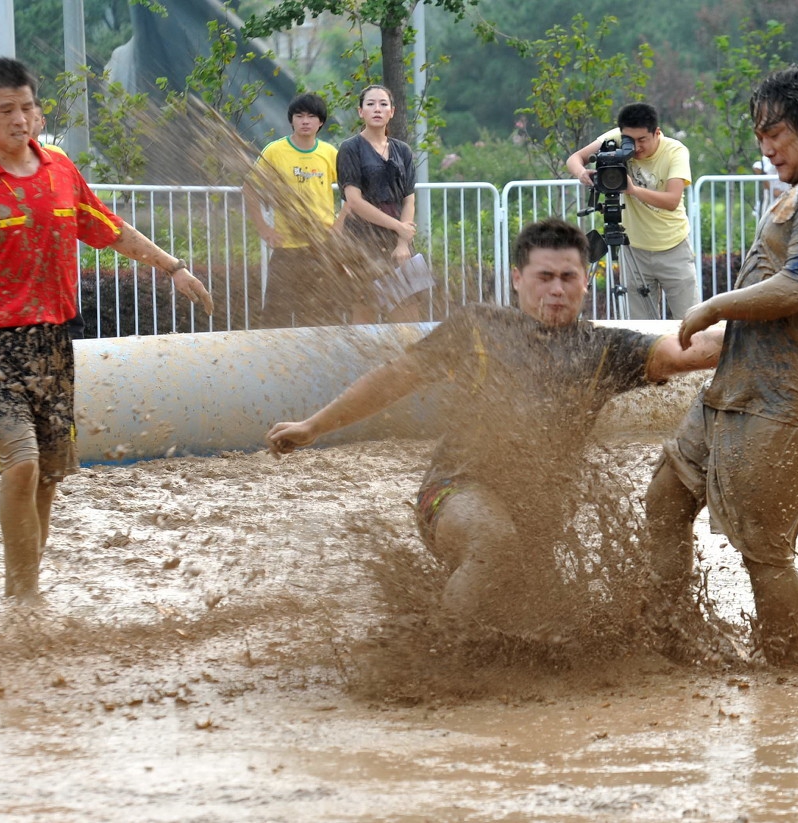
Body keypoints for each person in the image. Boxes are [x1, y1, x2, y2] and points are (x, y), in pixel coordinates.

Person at [267, 218, 724, 638]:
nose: (556, 290)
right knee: (494, 542)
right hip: (452, 493)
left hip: (536, 524)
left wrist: (752, 321)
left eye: (568, 278)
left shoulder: (605, 348)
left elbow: (687, 350)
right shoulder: (478, 328)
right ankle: (435, 661)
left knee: (550, 628)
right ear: (517, 279)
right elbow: (394, 379)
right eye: (545, 277)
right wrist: (314, 426)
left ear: (586, 281)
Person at [0, 58, 214, 602]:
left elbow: (110, 230)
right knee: (21, 467)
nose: (20, 119)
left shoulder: (61, 169)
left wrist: (174, 268)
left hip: (54, 341)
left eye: (27, 107)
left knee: (48, 474)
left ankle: (28, 589)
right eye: (6, 110)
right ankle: (20, 595)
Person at [642, 65, 798, 664]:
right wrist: (707, 345)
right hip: (742, 381)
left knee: (763, 550)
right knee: (666, 499)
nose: (767, 148)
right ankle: (670, 635)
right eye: (760, 136)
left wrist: (712, 307)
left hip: (791, 393)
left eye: (774, 133)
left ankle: (783, 673)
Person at [566, 103, 699, 320]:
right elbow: (574, 159)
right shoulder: (615, 139)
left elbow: (672, 200)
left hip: (673, 248)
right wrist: (583, 173)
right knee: (641, 328)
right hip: (633, 249)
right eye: (629, 140)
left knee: (689, 322)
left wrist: (633, 190)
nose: (635, 147)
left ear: (657, 132)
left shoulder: (675, 151)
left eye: (642, 140)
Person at [244, 93, 342, 328]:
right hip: (286, 247)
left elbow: (353, 190)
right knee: (275, 316)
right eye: (299, 116)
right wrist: (264, 229)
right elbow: (249, 188)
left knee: (320, 315)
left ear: (321, 122)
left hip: (322, 246)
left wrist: (340, 224)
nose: (305, 121)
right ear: (291, 120)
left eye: (311, 116)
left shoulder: (330, 153)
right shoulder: (275, 151)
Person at [336, 84, 426, 324]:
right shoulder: (350, 148)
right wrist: (399, 227)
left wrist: (403, 242)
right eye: (371, 104)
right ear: (360, 111)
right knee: (364, 309)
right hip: (361, 239)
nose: (377, 109)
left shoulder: (403, 150)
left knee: (408, 313)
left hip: (398, 240)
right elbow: (354, 201)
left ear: (392, 111)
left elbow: (408, 199)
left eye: (383, 104)